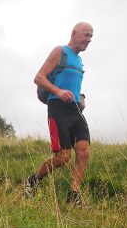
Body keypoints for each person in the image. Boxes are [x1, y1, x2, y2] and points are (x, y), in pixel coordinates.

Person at [25, 22, 93, 204]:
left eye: (91, 36)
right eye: (86, 35)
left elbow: (72, 85)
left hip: (75, 109)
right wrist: (58, 92)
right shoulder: (60, 52)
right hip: (57, 108)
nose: (89, 39)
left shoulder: (79, 61)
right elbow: (38, 77)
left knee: (84, 151)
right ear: (74, 33)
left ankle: (73, 194)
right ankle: (32, 181)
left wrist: (81, 97)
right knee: (63, 157)